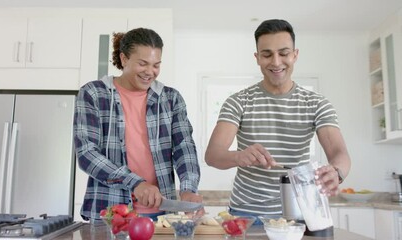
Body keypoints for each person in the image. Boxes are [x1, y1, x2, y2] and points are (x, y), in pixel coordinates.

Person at [205, 19, 351, 224]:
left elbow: (339, 153)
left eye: (283, 53)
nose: (275, 62)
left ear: (295, 55)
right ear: (257, 58)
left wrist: (336, 171)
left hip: (299, 212)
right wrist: (239, 156)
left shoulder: (316, 104)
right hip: (246, 213)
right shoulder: (238, 101)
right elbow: (213, 155)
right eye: (267, 54)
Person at [74, 27, 202, 223]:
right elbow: (87, 153)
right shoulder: (93, 93)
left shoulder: (170, 98)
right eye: (143, 63)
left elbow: (184, 148)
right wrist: (135, 183)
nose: (150, 72)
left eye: (156, 65)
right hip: (110, 212)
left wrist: (188, 189)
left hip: (162, 215)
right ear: (124, 59)